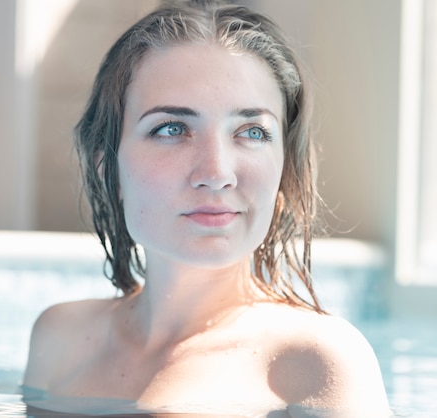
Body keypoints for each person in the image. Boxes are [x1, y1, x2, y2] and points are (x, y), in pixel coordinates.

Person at [22, 1, 390, 416]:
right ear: (109, 167)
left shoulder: (314, 364)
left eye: (252, 131)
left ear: (284, 169)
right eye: (172, 129)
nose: (217, 173)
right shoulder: (60, 338)